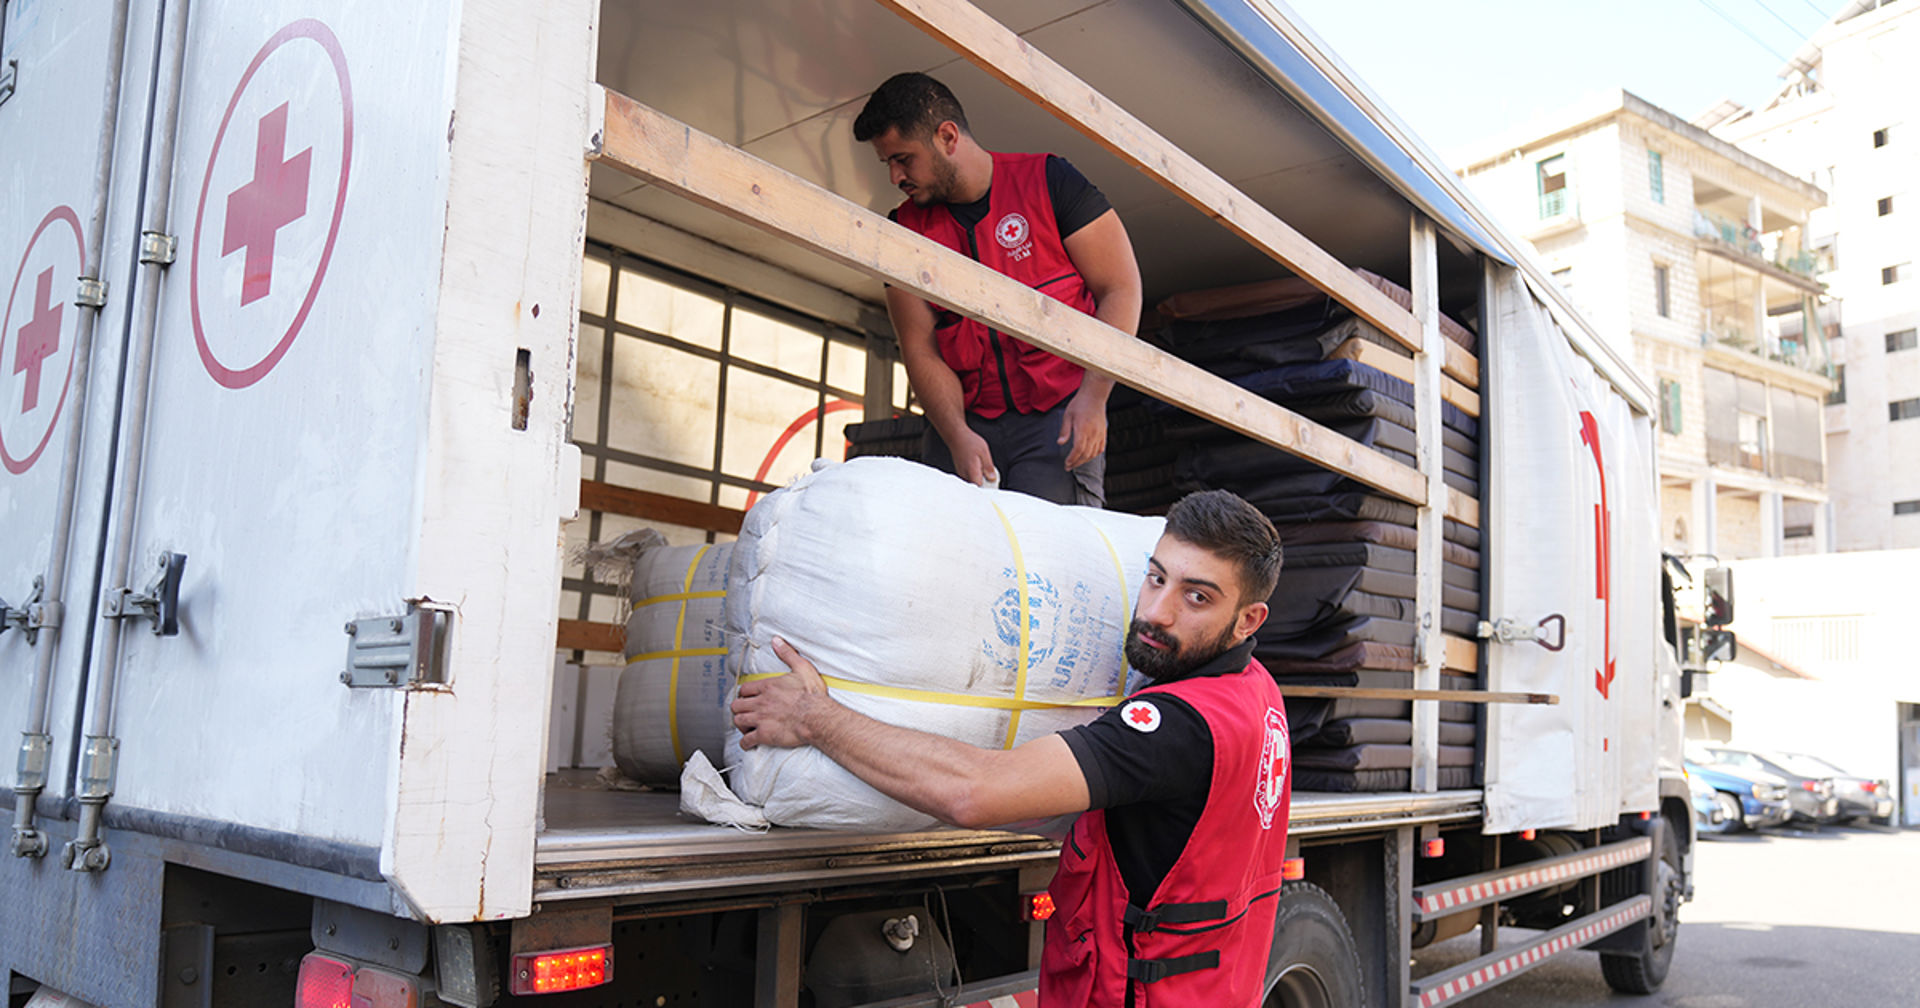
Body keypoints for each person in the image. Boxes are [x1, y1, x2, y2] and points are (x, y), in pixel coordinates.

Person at [732, 490, 1291, 1006]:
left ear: (1248, 620)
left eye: (1196, 597)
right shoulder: (1256, 692)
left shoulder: (1175, 728)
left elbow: (974, 793)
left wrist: (814, 718)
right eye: (1154, 578)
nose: (1156, 612)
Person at [853, 72, 1143, 506]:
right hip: (963, 424)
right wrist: (956, 434)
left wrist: (1095, 396)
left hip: (1059, 420)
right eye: (887, 164)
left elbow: (1120, 289)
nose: (895, 177)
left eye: (903, 159)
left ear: (947, 136)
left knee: (1048, 557)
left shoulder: (1051, 182)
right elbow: (920, 348)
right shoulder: (903, 230)